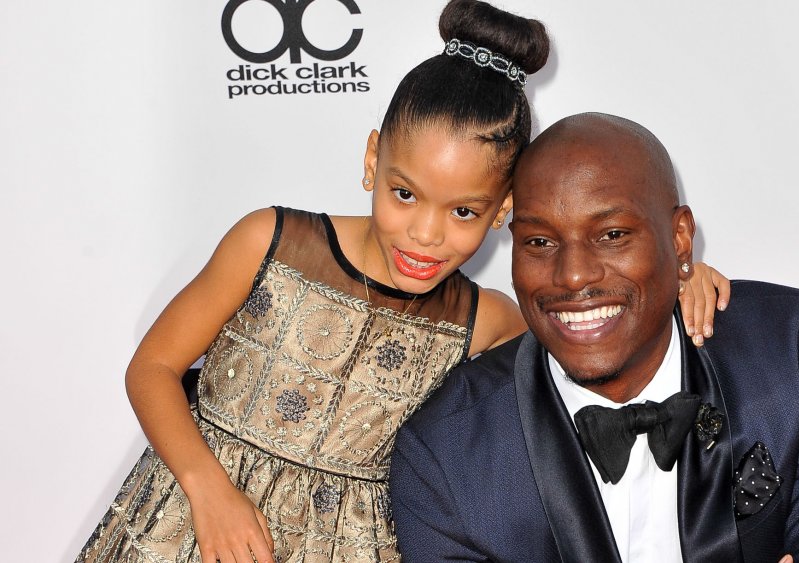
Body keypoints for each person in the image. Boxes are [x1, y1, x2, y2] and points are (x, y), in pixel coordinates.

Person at [76, 3, 729, 562]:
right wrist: (207, 488)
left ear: (502, 211)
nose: (424, 232)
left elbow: (599, 329)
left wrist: (682, 277)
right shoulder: (269, 241)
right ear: (371, 160)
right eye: (405, 193)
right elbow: (153, 365)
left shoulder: (486, 319)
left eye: (464, 211)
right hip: (193, 521)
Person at [389, 113, 799, 563]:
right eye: (540, 241)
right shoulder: (447, 454)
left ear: (680, 238)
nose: (572, 276)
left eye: (612, 235)